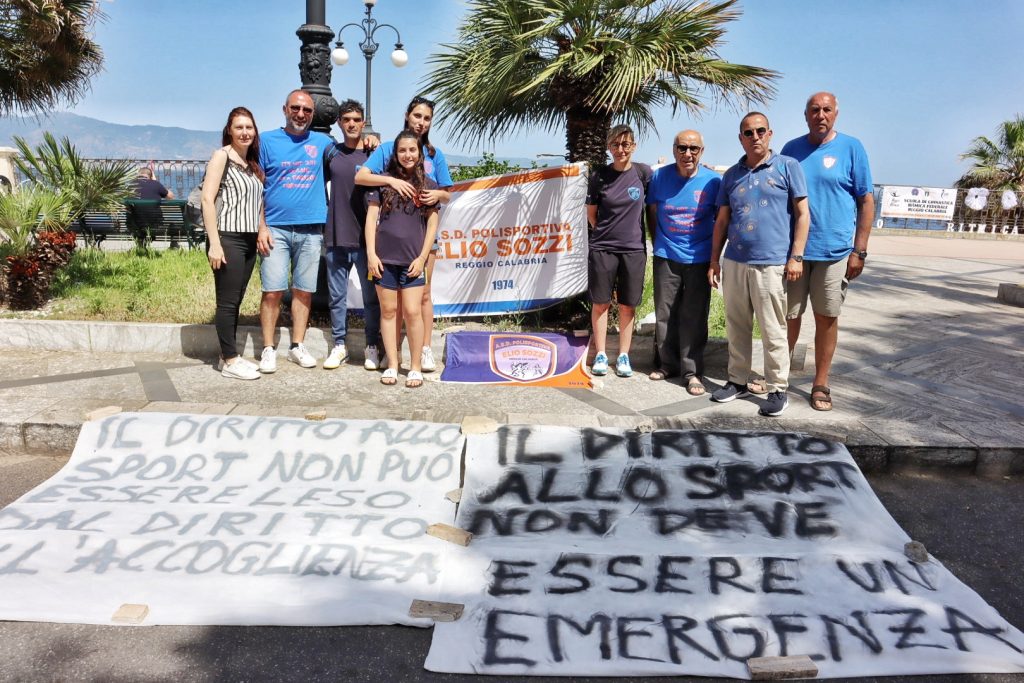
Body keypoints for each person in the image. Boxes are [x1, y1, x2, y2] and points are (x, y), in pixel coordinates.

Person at [707, 112, 810, 416]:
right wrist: (715, 260)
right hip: (736, 260)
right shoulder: (731, 175)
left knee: (772, 329)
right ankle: (737, 381)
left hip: (772, 263)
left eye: (760, 131)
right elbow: (722, 220)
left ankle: (777, 388)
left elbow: (803, 214)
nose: (755, 137)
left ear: (770, 133)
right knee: (737, 325)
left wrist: (796, 256)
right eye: (748, 133)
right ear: (741, 138)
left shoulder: (788, 167)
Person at [781, 92, 874, 411]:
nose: (820, 115)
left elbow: (866, 201)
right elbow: (782, 200)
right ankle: (779, 379)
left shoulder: (852, 148)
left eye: (826, 110)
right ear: (805, 115)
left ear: (836, 114)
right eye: (814, 110)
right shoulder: (791, 150)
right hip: (796, 252)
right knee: (789, 316)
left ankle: (821, 383)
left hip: (835, 252)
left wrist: (859, 250)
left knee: (826, 317)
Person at [356, 96, 452, 373]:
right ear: (408, 115)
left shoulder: (436, 155)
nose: (421, 122)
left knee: (421, 297)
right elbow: (362, 177)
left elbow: (446, 195)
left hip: (422, 242)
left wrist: (438, 194)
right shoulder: (387, 148)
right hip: (388, 246)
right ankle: (393, 353)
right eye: (417, 116)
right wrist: (391, 180)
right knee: (391, 303)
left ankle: (422, 352)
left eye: (427, 118)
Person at [256, 90, 335, 374]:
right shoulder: (266, 141)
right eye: (295, 108)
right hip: (275, 229)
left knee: (304, 291)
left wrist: (369, 140)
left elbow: (349, 157)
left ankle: (297, 345)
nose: (301, 114)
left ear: (313, 114)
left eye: (307, 111)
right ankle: (268, 348)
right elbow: (257, 188)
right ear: (284, 109)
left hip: (312, 229)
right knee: (272, 291)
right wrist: (261, 227)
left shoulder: (324, 142)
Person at [645, 129, 720, 395]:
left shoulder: (713, 181)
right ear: (674, 148)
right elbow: (652, 212)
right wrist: (660, 243)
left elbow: (720, 220)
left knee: (695, 315)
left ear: (702, 151)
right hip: (666, 254)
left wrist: (714, 258)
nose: (687, 154)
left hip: (700, 257)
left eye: (693, 149)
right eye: (682, 148)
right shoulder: (659, 177)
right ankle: (667, 365)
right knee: (665, 313)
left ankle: (692, 372)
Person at [364, 131, 439, 389]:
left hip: (413, 262)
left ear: (419, 154)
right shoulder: (383, 184)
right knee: (388, 311)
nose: (407, 155)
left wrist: (421, 258)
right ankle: (393, 365)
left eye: (412, 150)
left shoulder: (428, 185)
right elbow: (370, 221)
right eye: (402, 150)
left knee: (412, 312)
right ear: (395, 154)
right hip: (383, 262)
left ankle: (415, 367)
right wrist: (371, 255)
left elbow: (432, 225)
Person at [201, 107, 265, 380]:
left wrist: (262, 228)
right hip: (228, 237)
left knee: (236, 299)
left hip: (249, 239)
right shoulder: (221, 156)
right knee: (227, 302)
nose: (245, 132)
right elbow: (207, 199)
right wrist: (214, 243)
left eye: (249, 127)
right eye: (239, 127)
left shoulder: (251, 163)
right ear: (229, 130)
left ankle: (229, 354)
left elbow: (258, 202)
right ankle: (229, 360)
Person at [585, 124, 651, 378]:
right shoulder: (599, 175)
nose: (620, 149)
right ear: (608, 147)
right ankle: (601, 354)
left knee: (627, 305)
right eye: (615, 144)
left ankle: (624, 355)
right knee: (600, 303)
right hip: (603, 248)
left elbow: (651, 210)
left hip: (634, 250)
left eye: (625, 144)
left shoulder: (644, 174)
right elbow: (592, 214)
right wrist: (607, 234)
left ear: (633, 146)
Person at [322, 99, 383, 371]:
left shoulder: (374, 154)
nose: (351, 124)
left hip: (366, 241)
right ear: (339, 123)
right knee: (337, 297)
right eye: (346, 120)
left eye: (356, 119)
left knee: (371, 298)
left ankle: (372, 346)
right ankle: (339, 346)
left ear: (363, 122)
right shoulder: (331, 154)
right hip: (336, 237)